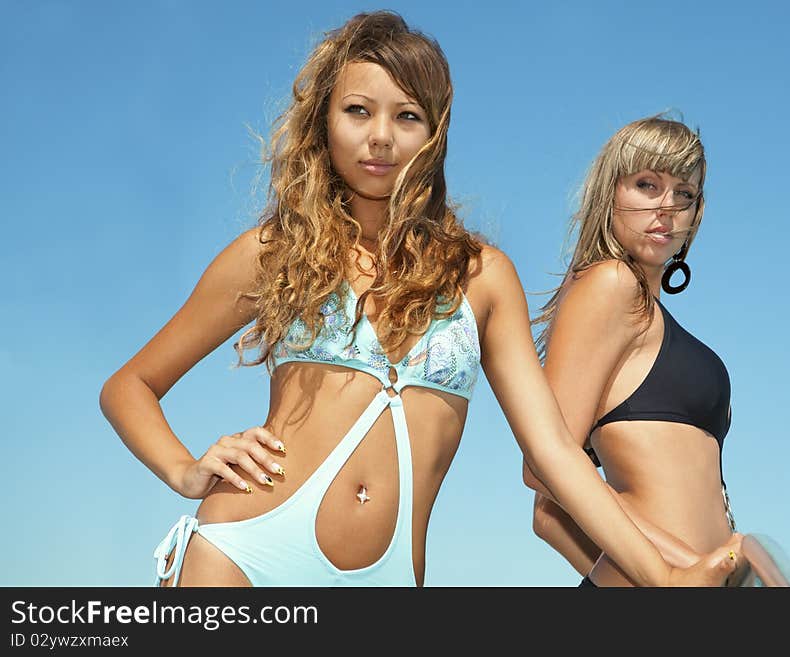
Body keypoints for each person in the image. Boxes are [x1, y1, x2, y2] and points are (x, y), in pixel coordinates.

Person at [100, 13, 741, 588]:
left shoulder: (483, 275)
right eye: (358, 110)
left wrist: (663, 579)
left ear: (434, 133)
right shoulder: (273, 252)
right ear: (324, 120)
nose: (380, 136)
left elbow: (553, 457)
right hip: (244, 553)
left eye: (406, 116)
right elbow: (129, 384)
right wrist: (185, 470)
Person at [526, 115, 741, 586]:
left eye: (684, 193)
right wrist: (672, 573)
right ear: (611, 193)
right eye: (648, 184)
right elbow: (544, 472)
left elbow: (548, 513)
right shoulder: (609, 284)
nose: (667, 207)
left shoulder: (646, 312)